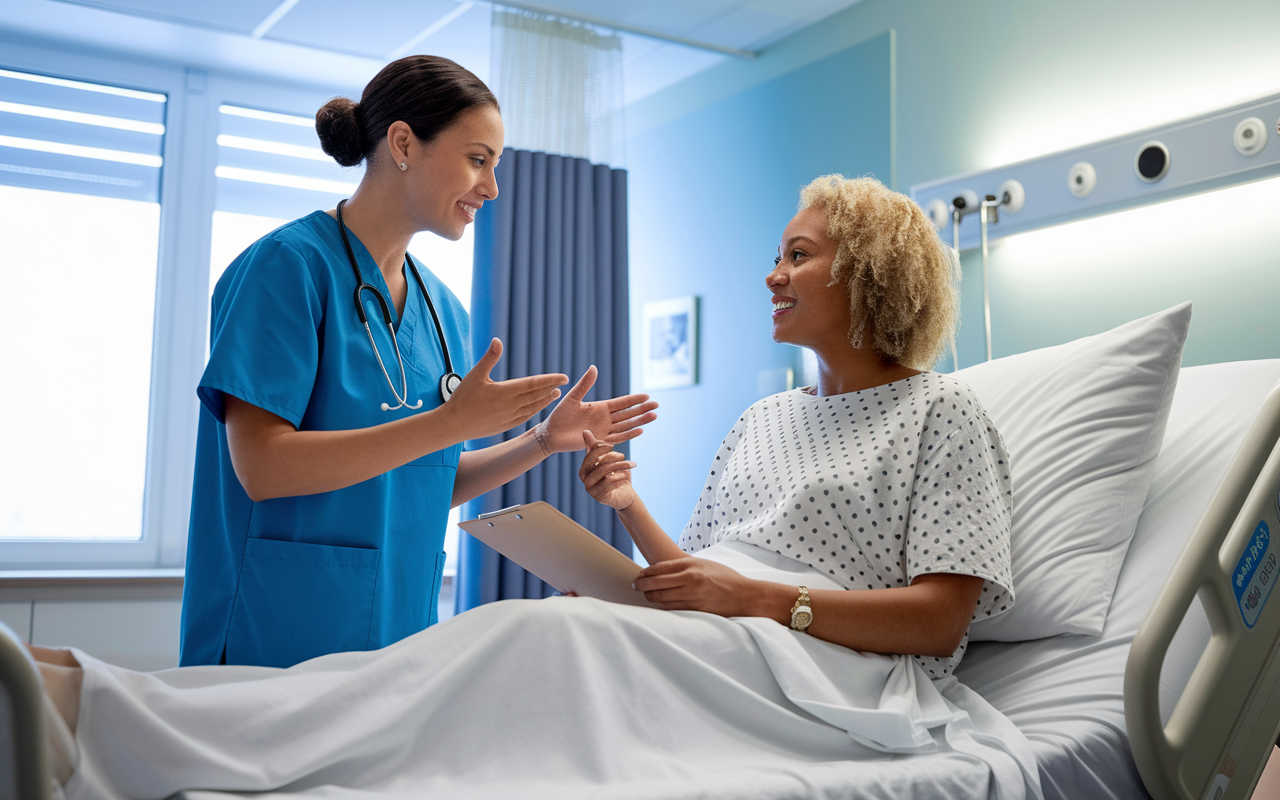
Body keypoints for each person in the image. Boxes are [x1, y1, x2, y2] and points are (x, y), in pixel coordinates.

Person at [29, 176, 1033, 800]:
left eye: (798, 254)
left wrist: (762, 600)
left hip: (832, 676)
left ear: (869, 270)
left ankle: (100, 712)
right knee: (502, 644)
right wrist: (625, 504)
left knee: (530, 637)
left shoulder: (943, 416)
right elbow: (691, 580)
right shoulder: (762, 418)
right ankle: (100, 705)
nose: (771, 273)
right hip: (730, 643)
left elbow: (941, 620)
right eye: (774, 253)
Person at [181, 55, 657, 669]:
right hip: (277, 625)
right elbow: (263, 469)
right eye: (477, 159)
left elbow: (426, 479)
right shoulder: (286, 268)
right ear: (403, 143)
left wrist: (541, 441)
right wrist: (451, 423)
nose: (491, 188)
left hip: (399, 630)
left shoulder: (442, 310)